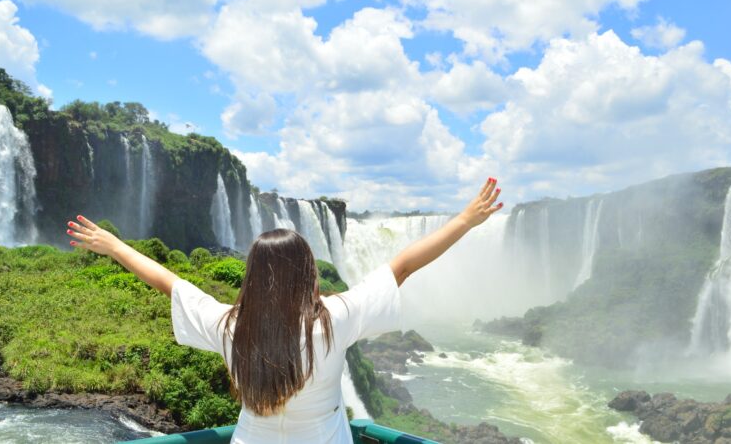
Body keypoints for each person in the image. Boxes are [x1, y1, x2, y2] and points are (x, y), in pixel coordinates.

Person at [65, 178, 502, 443]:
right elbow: (403, 265)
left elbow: (169, 282)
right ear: (307, 274)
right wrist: (464, 219)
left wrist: (115, 245)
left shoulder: (231, 327)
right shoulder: (335, 319)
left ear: (252, 277)